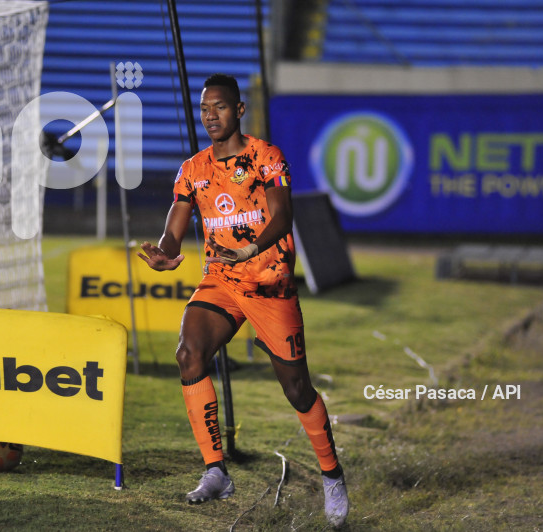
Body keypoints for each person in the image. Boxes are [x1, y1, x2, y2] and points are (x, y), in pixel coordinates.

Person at [137, 73, 349, 527]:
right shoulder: (192, 169)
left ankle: (332, 475)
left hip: (270, 286)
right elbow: (174, 229)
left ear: (238, 110)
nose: (210, 115)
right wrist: (165, 253)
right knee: (188, 354)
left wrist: (254, 248)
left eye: (219, 107)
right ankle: (216, 471)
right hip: (222, 282)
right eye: (204, 108)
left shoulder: (265, 156)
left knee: (296, 389)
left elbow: (283, 215)